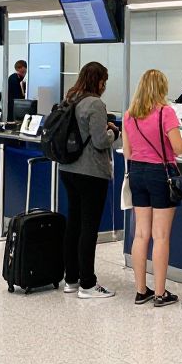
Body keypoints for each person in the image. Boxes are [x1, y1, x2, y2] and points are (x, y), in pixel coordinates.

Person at [123, 68, 182, 308]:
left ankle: (141, 290)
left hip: (137, 174)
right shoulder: (166, 113)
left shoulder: (129, 114)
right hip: (161, 175)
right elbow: (178, 148)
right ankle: (161, 293)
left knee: (141, 234)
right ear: (161, 88)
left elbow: (128, 152)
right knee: (160, 236)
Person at [58, 62, 118, 299]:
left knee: (73, 223)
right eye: (104, 80)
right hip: (91, 172)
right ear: (99, 81)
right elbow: (101, 141)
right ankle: (88, 284)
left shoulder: (70, 99)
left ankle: (71, 279)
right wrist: (114, 132)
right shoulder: (95, 103)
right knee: (89, 227)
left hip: (68, 168)